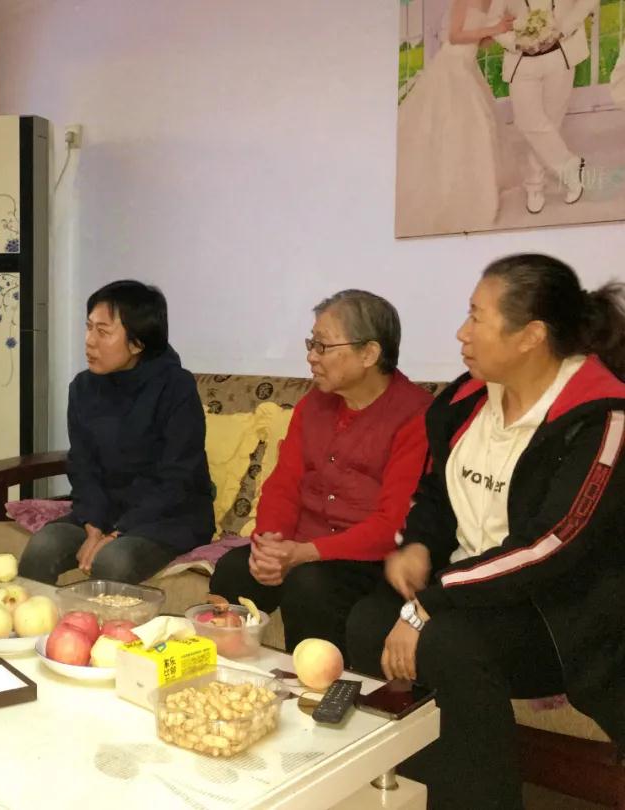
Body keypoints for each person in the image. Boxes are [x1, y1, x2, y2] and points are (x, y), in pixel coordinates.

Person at [347, 254, 625, 810]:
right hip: (473, 593)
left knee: (449, 643)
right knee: (366, 622)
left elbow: (548, 547)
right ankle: (410, 791)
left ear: (531, 336)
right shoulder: (469, 397)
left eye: (477, 317)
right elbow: (435, 493)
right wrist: (419, 545)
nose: (461, 332)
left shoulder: (600, 418)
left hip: (558, 617)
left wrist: (428, 605)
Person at [209, 291, 432, 655]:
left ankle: (313, 682)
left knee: (310, 584)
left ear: (369, 354)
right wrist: (270, 543)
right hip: (300, 546)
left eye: (323, 346)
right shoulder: (314, 404)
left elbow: (393, 523)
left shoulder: (416, 415)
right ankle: (231, 674)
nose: (311, 356)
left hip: (369, 559)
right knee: (235, 569)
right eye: (311, 344)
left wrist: (305, 553)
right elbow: (284, 484)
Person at [18, 280, 214, 585]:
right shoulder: (83, 388)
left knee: (114, 560)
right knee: (43, 547)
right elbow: (82, 465)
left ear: (137, 343)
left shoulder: (176, 387)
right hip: (106, 511)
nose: (89, 341)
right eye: (89, 328)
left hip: (169, 516)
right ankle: (31, 615)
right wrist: (93, 524)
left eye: (103, 332)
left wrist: (117, 533)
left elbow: (178, 479)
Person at [396, 0, 515, 237]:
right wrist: (494, 28)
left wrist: (498, 32)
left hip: (468, 65)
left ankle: (476, 184)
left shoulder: (491, 2)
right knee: (457, 123)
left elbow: (480, 43)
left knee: (476, 126)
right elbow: (455, 36)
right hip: (452, 65)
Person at [487, 0, 598, 214]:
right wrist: (515, 42)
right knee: (526, 121)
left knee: (551, 123)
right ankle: (570, 165)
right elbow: (492, 19)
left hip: (561, 54)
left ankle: (535, 185)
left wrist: (564, 29)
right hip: (521, 59)